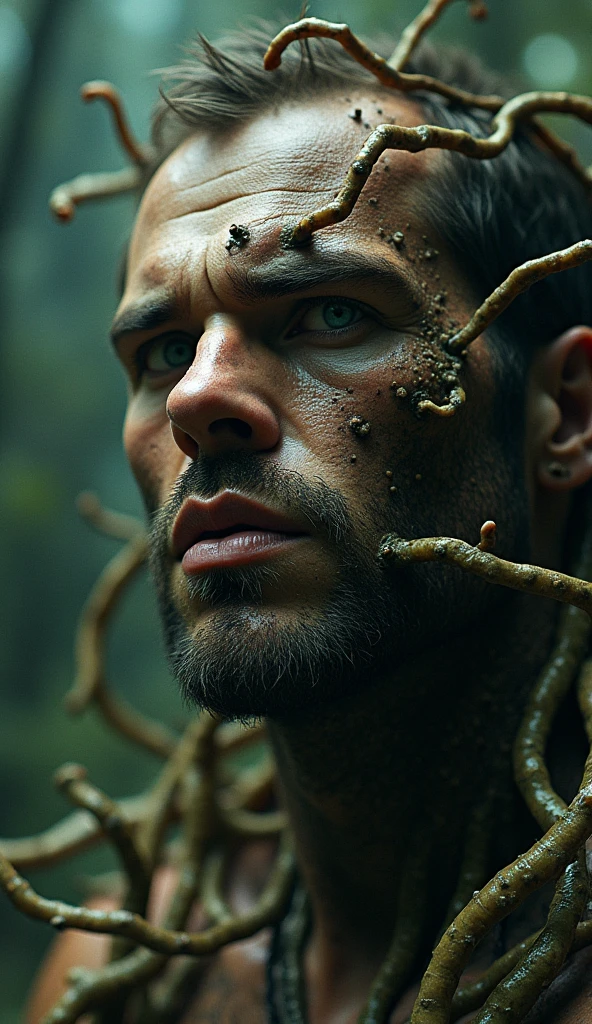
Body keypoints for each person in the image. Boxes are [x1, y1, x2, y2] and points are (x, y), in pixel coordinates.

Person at [24, 14, 592, 1024]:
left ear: (566, 411)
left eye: (331, 313)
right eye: (160, 351)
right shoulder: (123, 980)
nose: (199, 398)